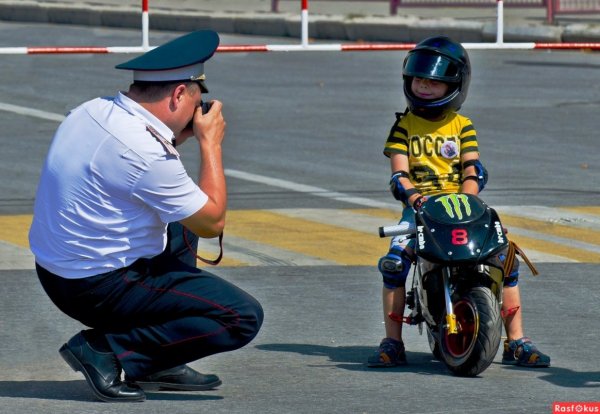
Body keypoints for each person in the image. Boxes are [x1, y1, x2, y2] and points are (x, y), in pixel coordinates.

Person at [28, 30, 264, 402]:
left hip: (58, 270)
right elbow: (212, 221)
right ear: (178, 95)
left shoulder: (93, 110)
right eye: (196, 99)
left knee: (180, 215)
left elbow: (137, 173)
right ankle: (106, 351)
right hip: (95, 288)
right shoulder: (143, 151)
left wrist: (179, 137)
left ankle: (161, 360)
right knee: (241, 316)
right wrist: (210, 144)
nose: (198, 111)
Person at [367, 36, 550, 369]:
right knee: (393, 264)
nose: (423, 87)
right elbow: (399, 175)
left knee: (506, 258)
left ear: (454, 85)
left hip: (463, 205)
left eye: (434, 82)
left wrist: (468, 202)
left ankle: (517, 340)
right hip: (420, 208)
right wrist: (415, 197)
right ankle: (392, 342)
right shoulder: (403, 127)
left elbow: (472, 168)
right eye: (419, 80)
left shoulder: (463, 126)